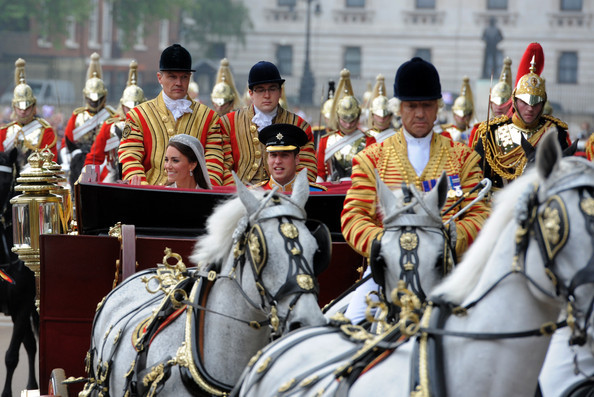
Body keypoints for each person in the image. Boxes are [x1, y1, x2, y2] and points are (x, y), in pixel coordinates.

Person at [341, 57, 490, 323]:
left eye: (426, 106)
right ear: (399, 108)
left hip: (450, 268)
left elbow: (480, 214)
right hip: (387, 273)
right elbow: (353, 216)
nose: (419, 114)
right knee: (353, 326)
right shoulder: (372, 158)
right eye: (412, 106)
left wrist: (448, 243)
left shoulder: (464, 158)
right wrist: (387, 246)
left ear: (437, 108)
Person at [118, 44, 224, 186]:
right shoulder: (138, 115)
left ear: (190, 77)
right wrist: (143, 191)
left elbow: (214, 162)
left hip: (194, 197)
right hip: (151, 196)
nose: (178, 83)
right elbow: (130, 157)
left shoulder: (209, 117)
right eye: (172, 77)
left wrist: (203, 193)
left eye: (184, 77)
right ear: (159, 78)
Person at [472, 42, 571, 191]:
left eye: (536, 103)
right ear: (515, 101)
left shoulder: (555, 133)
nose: (530, 108)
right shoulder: (491, 134)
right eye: (524, 102)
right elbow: (478, 178)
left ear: (543, 103)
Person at [218, 61, 317, 185]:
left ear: (280, 92)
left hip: (283, 196)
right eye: (260, 90)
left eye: (272, 89)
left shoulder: (300, 125)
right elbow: (222, 166)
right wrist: (237, 193)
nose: (267, 95)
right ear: (251, 94)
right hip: (239, 196)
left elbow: (307, 170)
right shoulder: (227, 123)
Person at [84, 60, 146, 182]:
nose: (132, 110)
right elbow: (95, 158)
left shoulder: (148, 125)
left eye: (136, 106)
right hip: (112, 175)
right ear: (122, 105)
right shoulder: (110, 126)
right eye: (129, 107)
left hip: (139, 176)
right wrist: (88, 182)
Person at [316, 69, 374, 182]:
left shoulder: (369, 140)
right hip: (333, 190)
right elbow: (320, 172)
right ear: (338, 117)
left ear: (357, 117)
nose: (348, 125)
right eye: (344, 120)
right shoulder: (325, 140)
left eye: (352, 121)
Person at [61, 53, 116, 170]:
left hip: (103, 164)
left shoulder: (112, 116)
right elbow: (66, 143)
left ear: (104, 97)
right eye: (91, 98)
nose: (94, 101)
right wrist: (68, 162)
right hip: (79, 161)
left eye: (98, 98)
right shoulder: (77, 116)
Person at [0, 58, 57, 170]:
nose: (23, 111)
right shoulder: (4, 132)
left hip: (34, 181)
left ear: (33, 107)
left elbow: (50, 163)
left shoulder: (45, 131)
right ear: (14, 107)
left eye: (27, 107)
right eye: (19, 107)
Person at [253, 123, 327, 192]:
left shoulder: (316, 193)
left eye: (284, 155)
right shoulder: (255, 193)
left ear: (296, 159)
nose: (278, 161)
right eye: (273, 155)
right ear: (267, 159)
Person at [468, 57, 513, 148]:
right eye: (495, 102)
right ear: (491, 103)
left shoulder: (518, 129)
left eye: (503, 102)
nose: (499, 107)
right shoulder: (479, 130)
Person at [440, 76, 474, 144]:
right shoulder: (446, 132)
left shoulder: (475, 133)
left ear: (470, 115)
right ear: (454, 115)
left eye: (465, 115)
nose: (462, 117)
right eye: (458, 115)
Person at [365, 74, 396, 144]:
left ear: (390, 117)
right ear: (372, 116)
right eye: (378, 116)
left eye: (385, 116)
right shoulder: (364, 137)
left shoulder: (397, 136)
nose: (382, 119)